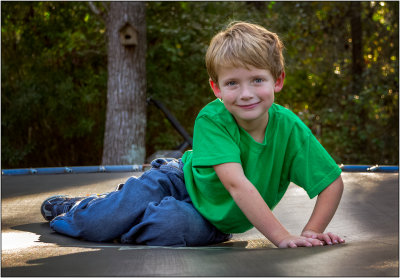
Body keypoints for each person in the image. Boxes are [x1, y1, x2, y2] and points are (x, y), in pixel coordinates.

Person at [41, 21, 345, 248]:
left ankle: (123, 212)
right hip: (177, 183)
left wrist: (312, 231)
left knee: (169, 228)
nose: (246, 94)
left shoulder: (289, 128)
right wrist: (281, 237)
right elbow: (237, 185)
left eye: (257, 80)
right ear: (216, 88)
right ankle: (85, 208)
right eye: (232, 84)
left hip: (214, 220)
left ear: (277, 81)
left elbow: (331, 182)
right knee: (100, 223)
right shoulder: (213, 118)